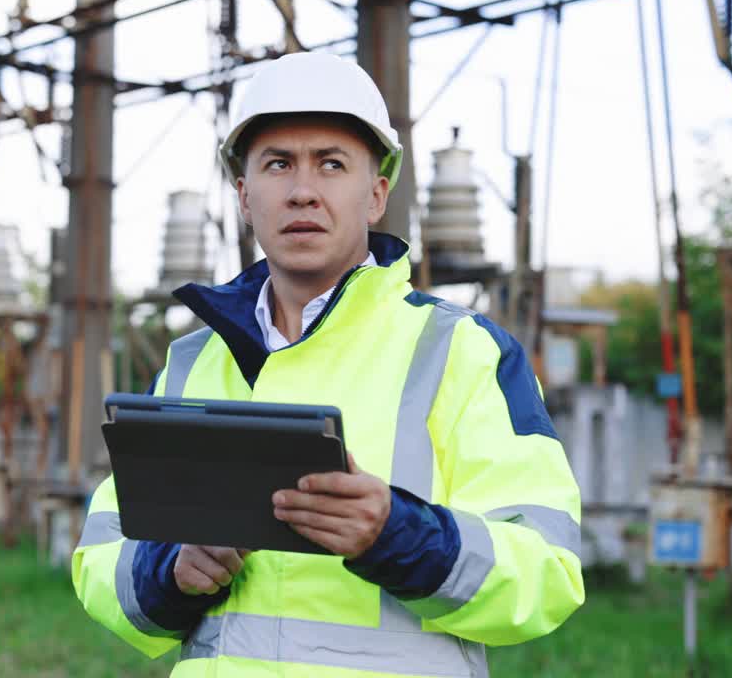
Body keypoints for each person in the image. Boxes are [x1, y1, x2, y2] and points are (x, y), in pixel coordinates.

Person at [72, 52, 584, 678]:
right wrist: (171, 572)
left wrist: (395, 532)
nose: (303, 189)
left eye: (331, 164)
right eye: (278, 163)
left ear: (375, 196)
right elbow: (101, 557)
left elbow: (548, 574)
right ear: (244, 194)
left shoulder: (464, 353)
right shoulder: (189, 364)